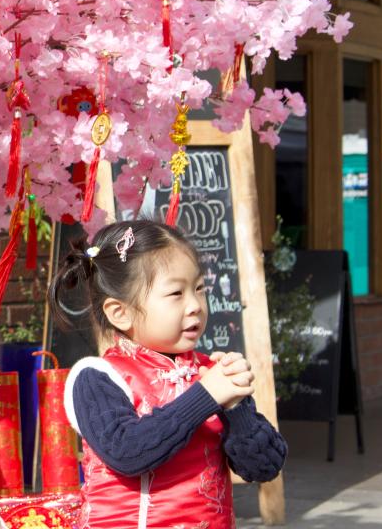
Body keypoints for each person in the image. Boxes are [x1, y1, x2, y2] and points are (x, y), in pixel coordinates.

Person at [55, 220, 287, 529]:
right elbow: (128, 453)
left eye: (200, 289)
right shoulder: (98, 377)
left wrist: (236, 407)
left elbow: (264, 467)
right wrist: (206, 396)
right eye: (176, 293)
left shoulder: (209, 373)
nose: (195, 305)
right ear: (119, 312)